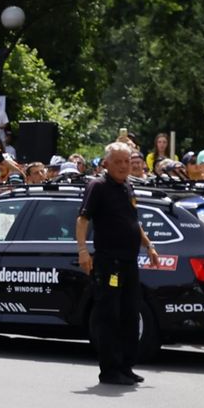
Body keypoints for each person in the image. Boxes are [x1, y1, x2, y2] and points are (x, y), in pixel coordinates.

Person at [76, 140, 161, 387]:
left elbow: (133, 222)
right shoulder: (97, 186)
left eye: (127, 161)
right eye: (118, 162)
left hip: (129, 261)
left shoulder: (127, 186)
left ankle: (125, 366)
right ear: (106, 163)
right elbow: (83, 219)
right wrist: (82, 250)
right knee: (109, 316)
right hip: (108, 262)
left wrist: (149, 245)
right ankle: (110, 370)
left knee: (129, 315)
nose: (124, 166)